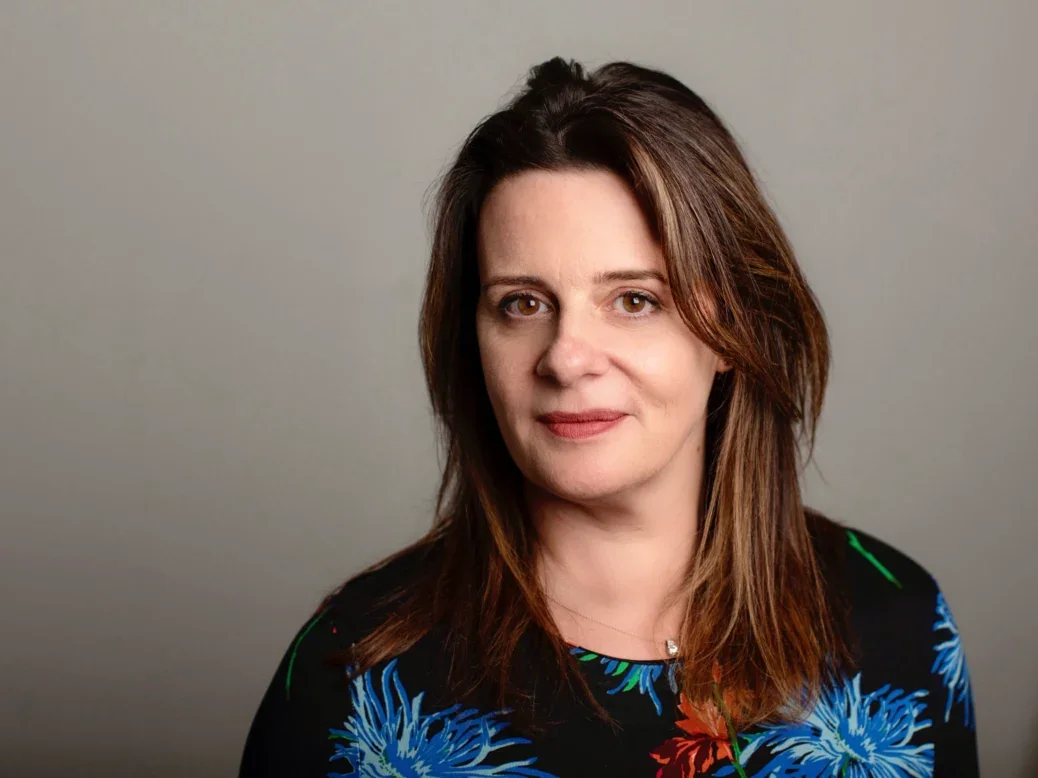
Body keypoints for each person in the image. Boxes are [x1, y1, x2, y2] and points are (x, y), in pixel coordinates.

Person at [238, 57, 979, 777]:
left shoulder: (900, 628)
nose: (566, 357)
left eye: (634, 300)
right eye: (521, 303)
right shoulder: (356, 676)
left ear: (733, 331)